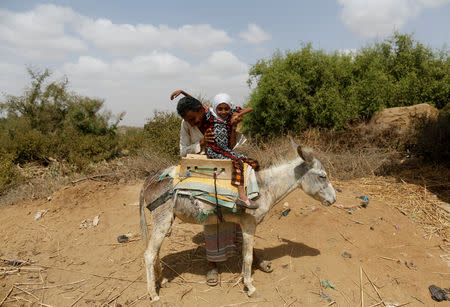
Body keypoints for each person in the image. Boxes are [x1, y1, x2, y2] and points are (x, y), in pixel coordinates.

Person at [170, 89, 273, 286]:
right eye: (188, 120)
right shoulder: (187, 123)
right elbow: (182, 151)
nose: (192, 123)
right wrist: (200, 143)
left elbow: (231, 146)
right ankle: (212, 265)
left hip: (225, 165)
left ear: (202, 110)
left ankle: (251, 256)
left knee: (240, 214)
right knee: (211, 216)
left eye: (193, 118)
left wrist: (233, 126)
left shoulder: (216, 114)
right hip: (203, 169)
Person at [205, 93, 260, 209]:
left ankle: (253, 191)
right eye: (220, 109)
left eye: (226, 109)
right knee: (237, 163)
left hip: (225, 150)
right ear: (215, 107)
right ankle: (241, 197)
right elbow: (196, 104)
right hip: (214, 151)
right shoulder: (210, 115)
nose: (223, 112)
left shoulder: (231, 114)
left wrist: (237, 115)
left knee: (252, 162)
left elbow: (250, 108)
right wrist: (182, 92)